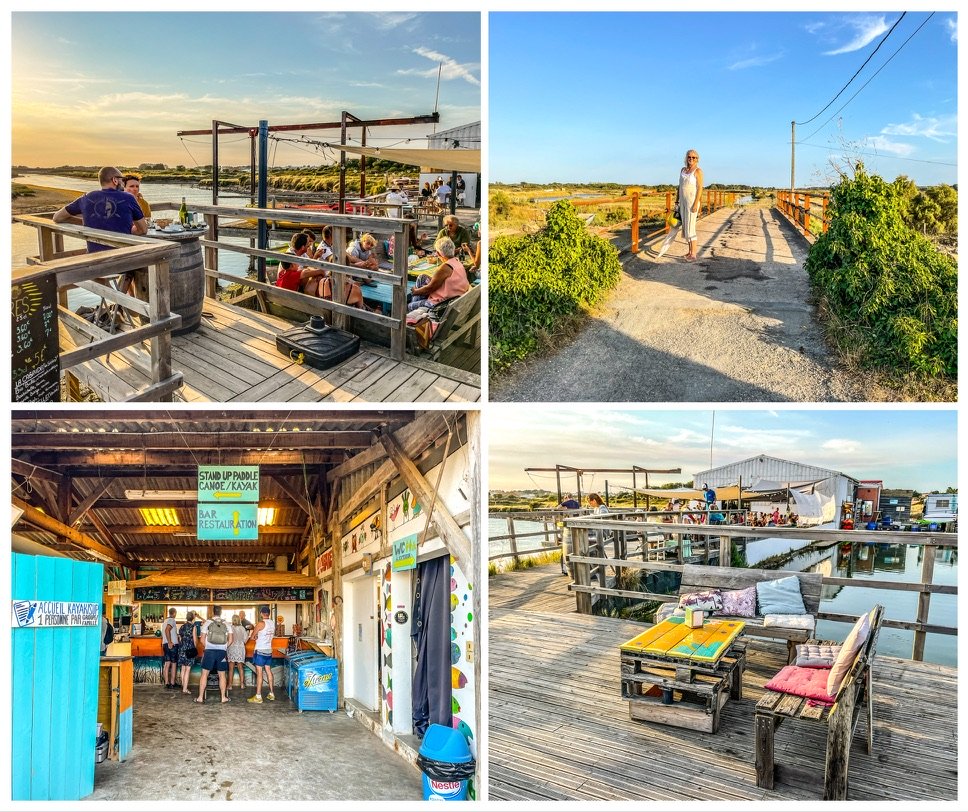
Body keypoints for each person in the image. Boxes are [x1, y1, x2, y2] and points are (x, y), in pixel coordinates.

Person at [52, 166, 148, 252]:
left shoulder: (86, 197)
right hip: (121, 257)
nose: (122, 183)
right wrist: (127, 230)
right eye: (121, 180)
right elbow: (143, 230)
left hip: (94, 257)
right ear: (115, 180)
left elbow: (57, 217)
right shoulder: (128, 198)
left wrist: (87, 222)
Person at [407, 236, 469, 312]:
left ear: (439, 254)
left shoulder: (445, 268)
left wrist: (415, 291)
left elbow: (430, 288)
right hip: (455, 298)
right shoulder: (457, 261)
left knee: (410, 305)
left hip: (441, 304)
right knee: (422, 277)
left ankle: (415, 310)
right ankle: (417, 307)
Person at [196, 606, 233, 704]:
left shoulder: (208, 623)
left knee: (204, 674)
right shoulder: (226, 623)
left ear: (213, 612)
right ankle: (223, 698)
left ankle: (200, 697)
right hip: (222, 652)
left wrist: (208, 646)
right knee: (222, 675)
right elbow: (231, 639)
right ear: (221, 612)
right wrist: (224, 647)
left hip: (209, 652)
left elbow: (202, 639)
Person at [678, 150, 703, 261]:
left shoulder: (698, 171)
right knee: (686, 227)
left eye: (694, 157)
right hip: (683, 202)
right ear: (686, 158)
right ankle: (689, 252)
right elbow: (679, 186)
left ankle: (693, 254)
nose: (691, 159)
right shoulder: (683, 170)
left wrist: (695, 204)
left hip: (692, 202)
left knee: (691, 227)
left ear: (697, 159)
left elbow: (700, 188)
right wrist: (676, 201)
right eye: (689, 157)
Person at [247, 606, 276, 703]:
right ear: (269, 614)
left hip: (260, 651)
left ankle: (258, 696)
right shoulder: (272, 623)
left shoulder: (260, 623)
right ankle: (272, 694)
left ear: (261, 613)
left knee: (259, 673)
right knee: (268, 670)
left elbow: (252, 637)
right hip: (269, 650)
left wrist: (255, 636)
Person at [226, 614, 249, 693]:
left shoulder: (230, 628)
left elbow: (227, 639)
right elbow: (246, 639)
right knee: (240, 667)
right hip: (240, 648)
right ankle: (242, 684)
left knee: (231, 668)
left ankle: (230, 685)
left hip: (231, 648)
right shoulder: (242, 628)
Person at [178, 611, 200, 694]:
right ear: (193, 618)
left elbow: (179, 638)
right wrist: (196, 646)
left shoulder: (182, 626)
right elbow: (195, 640)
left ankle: (183, 686)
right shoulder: (193, 627)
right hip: (189, 650)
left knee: (183, 668)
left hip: (182, 649)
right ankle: (185, 689)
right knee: (187, 669)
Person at [161, 608, 180, 689]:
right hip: (171, 645)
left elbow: (166, 630)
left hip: (165, 644)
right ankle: (172, 683)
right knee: (174, 663)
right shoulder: (172, 620)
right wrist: (170, 642)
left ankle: (166, 683)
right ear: (175, 613)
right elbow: (167, 630)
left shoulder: (165, 621)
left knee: (167, 663)